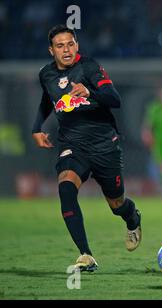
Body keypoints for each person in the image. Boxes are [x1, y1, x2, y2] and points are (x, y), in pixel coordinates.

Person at [32, 25, 142, 272]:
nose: (66, 49)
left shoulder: (90, 67)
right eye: (60, 46)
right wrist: (37, 128)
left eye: (70, 44)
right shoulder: (46, 74)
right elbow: (47, 100)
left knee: (117, 204)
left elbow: (115, 99)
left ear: (77, 45)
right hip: (73, 145)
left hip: (104, 145)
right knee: (66, 189)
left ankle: (132, 217)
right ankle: (86, 255)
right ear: (52, 50)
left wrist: (90, 91)